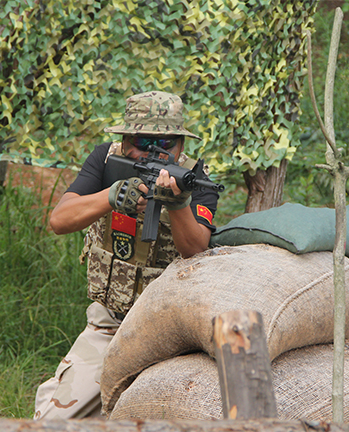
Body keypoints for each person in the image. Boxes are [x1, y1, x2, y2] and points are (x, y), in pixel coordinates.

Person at [34, 91, 220, 420]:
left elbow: (195, 248)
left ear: (180, 145)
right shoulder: (106, 160)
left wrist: (177, 205)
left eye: (165, 144)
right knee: (55, 419)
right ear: (123, 141)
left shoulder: (195, 177)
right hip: (110, 322)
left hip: (169, 332)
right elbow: (59, 220)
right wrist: (111, 195)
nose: (155, 153)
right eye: (142, 141)